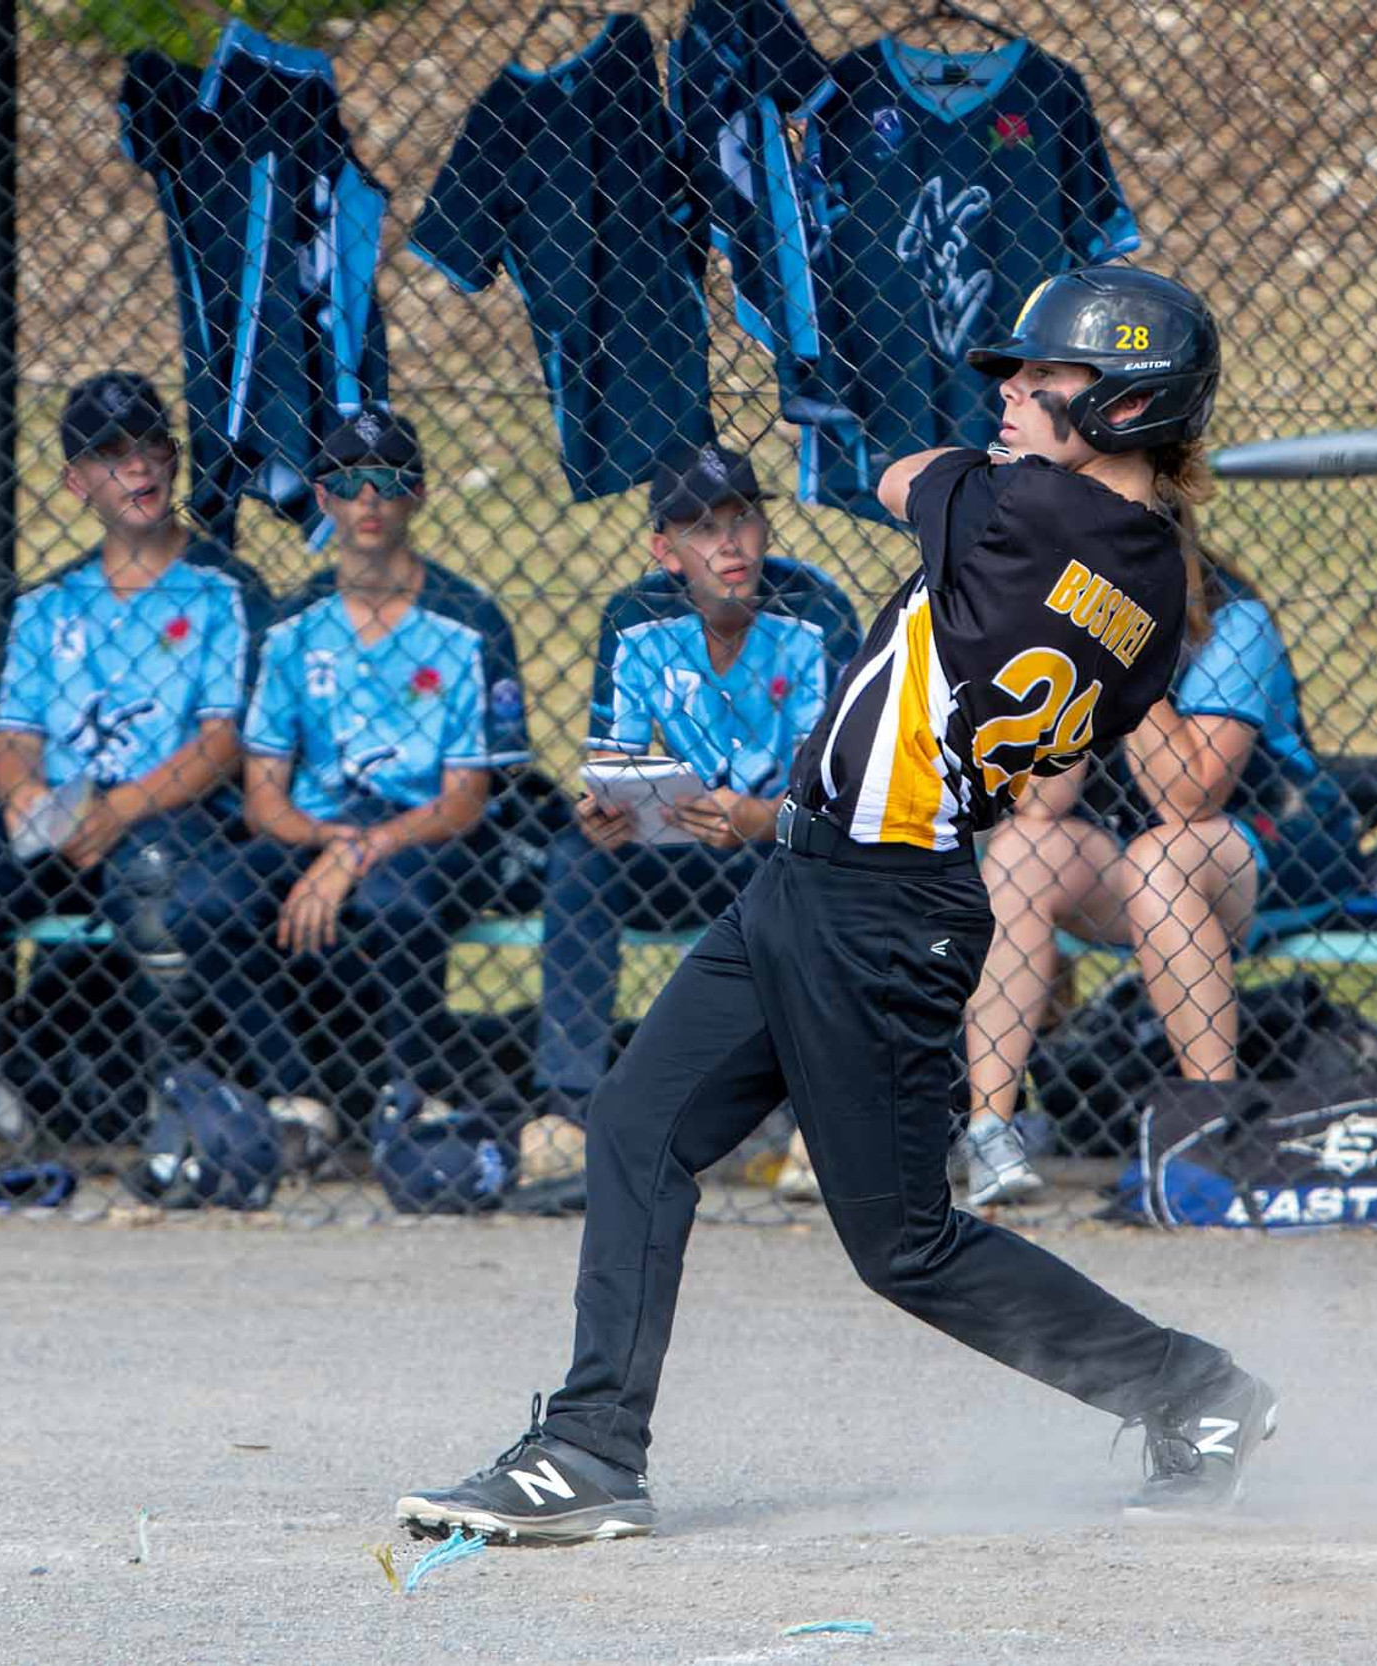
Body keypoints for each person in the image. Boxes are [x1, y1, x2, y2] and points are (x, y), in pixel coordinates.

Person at [393, 267, 1278, 1545]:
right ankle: (591, 1446)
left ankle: (1192, 1392)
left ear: (1132, 403)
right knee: (639, 1122)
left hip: (883, 903)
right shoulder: (1147, 594)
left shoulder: (1019, 508)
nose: (1014, 399)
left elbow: (896, 475)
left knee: (903, 1243)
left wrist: (906, 417)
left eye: (1048, 381)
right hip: (814, 883)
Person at [0, 372, 263, 1175]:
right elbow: (10, 738)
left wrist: (122, 808)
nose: (136, 470)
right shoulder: (46, 604)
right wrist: (29, 798)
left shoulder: (226, 590)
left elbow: (224, 744)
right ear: (77, 481)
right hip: (58, 823)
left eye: (149, 449)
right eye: (110, 456)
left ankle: (176, 1111)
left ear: (175, 460)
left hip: (169, 823)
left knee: (158, 891)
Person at [959, 552, 1358, 1205]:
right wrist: (1077, 648)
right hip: (1138, 852)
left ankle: (1210, 1132)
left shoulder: (1234, 619)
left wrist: (1126, 652)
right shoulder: (1067, 609)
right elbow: (1041, 806)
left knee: (1162, 856)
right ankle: (992, 1132)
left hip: (1268, 840)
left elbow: (1190, 798)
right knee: (1019, 853)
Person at [525, 441, 859, 1192]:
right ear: (666, 550)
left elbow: (837, 781)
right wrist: (603, 813)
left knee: (825, 869)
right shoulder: (633, 616)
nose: (730, 544)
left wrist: (762, 816)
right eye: (704, 529)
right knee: (577, 861)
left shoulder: (818, 611)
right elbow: (611, 758)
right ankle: (569, 1109)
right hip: (676, 844)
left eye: (743, 520)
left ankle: (823, 1117)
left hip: (777, 845)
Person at [222, 409, 530, 1147]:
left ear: (416, 494)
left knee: (399, 902)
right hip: (318, 823)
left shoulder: (468, 618)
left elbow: (465, 800)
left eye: (386, 484)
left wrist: (360, 852)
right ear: (322, 498)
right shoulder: (293, 623)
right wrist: (334, 842)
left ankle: (410, 1091)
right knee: (204, 904)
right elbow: (264, 794)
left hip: (429, 830)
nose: (367, 503)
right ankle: (295, 1095)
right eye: (349, 485)